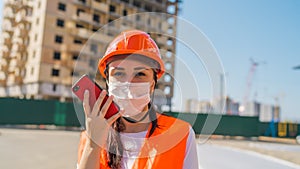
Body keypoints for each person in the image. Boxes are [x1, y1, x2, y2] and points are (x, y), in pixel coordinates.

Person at [77, 30, 199, 169]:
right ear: (108, 82)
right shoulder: (88, 138)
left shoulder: (181, 134)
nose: (129, 83)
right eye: (119, 73)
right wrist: (93, 145)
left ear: (152, 84)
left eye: (140, 74)